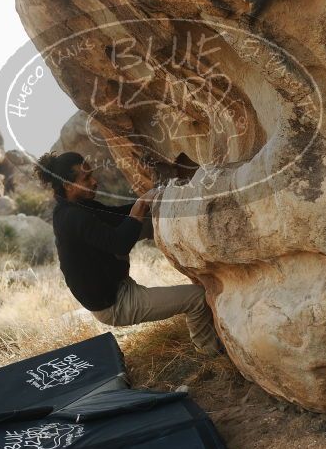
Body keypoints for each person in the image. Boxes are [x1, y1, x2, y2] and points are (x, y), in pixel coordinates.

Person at [34, 152, 222, 355]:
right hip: (115, 303)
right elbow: (119, 244)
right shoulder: (72, 217)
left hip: (116, 284)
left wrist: (150, 201)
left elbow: (116, 216)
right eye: (86, 178)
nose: (94, 181)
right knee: (197, 299)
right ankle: (209, 354)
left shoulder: (78, 206)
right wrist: (141, 205)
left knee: (149, 220)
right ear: (68, 185)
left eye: (92, 175)